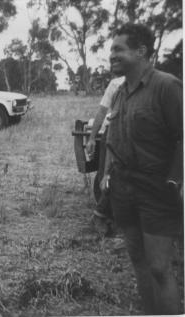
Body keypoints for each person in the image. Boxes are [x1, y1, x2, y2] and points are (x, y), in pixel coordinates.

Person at [101, 23, 183, 315]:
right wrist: (108, 172)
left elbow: (182, 137)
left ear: (141, 51)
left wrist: (176, 180)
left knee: (160, 268)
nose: (112, 55)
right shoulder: (121, 92)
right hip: (123, 189)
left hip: (156, 190)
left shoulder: (166, 85)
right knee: (138, 260)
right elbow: (114, 135)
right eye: (111, 49)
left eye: (118, 49)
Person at [86, 76, 124, 234]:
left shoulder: (156, 83)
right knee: (106, 175)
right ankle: (102, 215)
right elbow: (102, 111)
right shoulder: (117, 84)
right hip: (115, 132)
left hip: (139, 135)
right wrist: (92, 138)